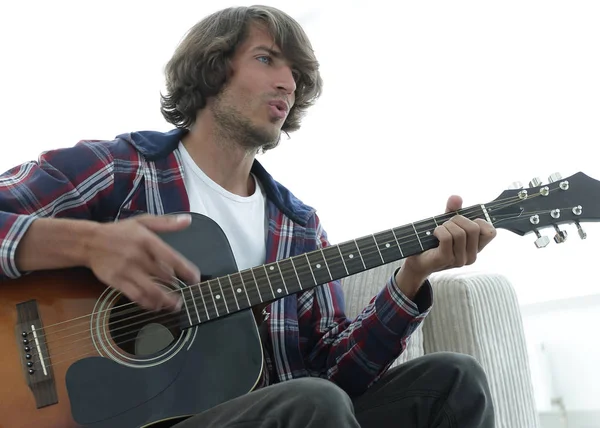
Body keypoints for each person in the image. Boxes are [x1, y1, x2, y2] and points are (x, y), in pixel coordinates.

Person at [0, 5, 498, 428]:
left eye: (298, 76)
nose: (289, 84)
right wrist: (86, 244)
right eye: (267, 59)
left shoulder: (297, 226)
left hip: (272, 412)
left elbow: (336, 376)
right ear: (213, 69)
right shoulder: (121, 170)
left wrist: (412, 277)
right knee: (313, 403)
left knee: (454, 381)